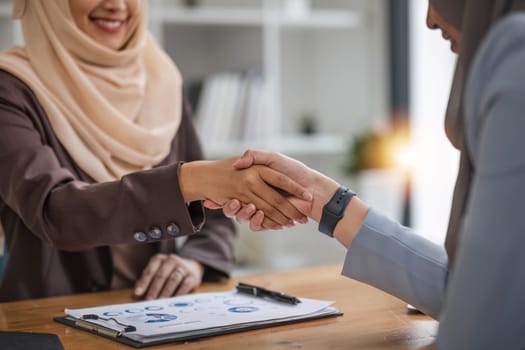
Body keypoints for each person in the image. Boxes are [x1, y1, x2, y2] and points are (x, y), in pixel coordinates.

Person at [210, 0, 525, 348]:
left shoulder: (516, 59)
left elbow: (480, 328)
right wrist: (319, 195)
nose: (429, 21)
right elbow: (470, 290)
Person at [0, 0, 310, 302]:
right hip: (47, 321)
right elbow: (56, 211)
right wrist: (190, 181)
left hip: (156, 318)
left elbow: (217, 216)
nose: (117, 5)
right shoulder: (10, 90)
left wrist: (194, 261)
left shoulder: (161, 80)